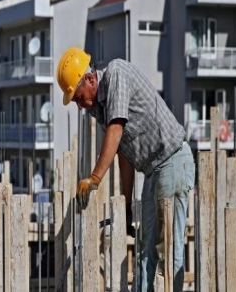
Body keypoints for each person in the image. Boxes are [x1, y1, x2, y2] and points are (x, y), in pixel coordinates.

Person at [56, 47, 195, 291]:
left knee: (168, 246)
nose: (79, 106)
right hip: (154, 170)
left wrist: (95, 178)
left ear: (89, 79)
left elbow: (116, 129)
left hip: (172, 162)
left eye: (78, 97)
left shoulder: (116, 73)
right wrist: (129, 205)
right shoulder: (101, 109)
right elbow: (123, 154)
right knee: (144, 252)